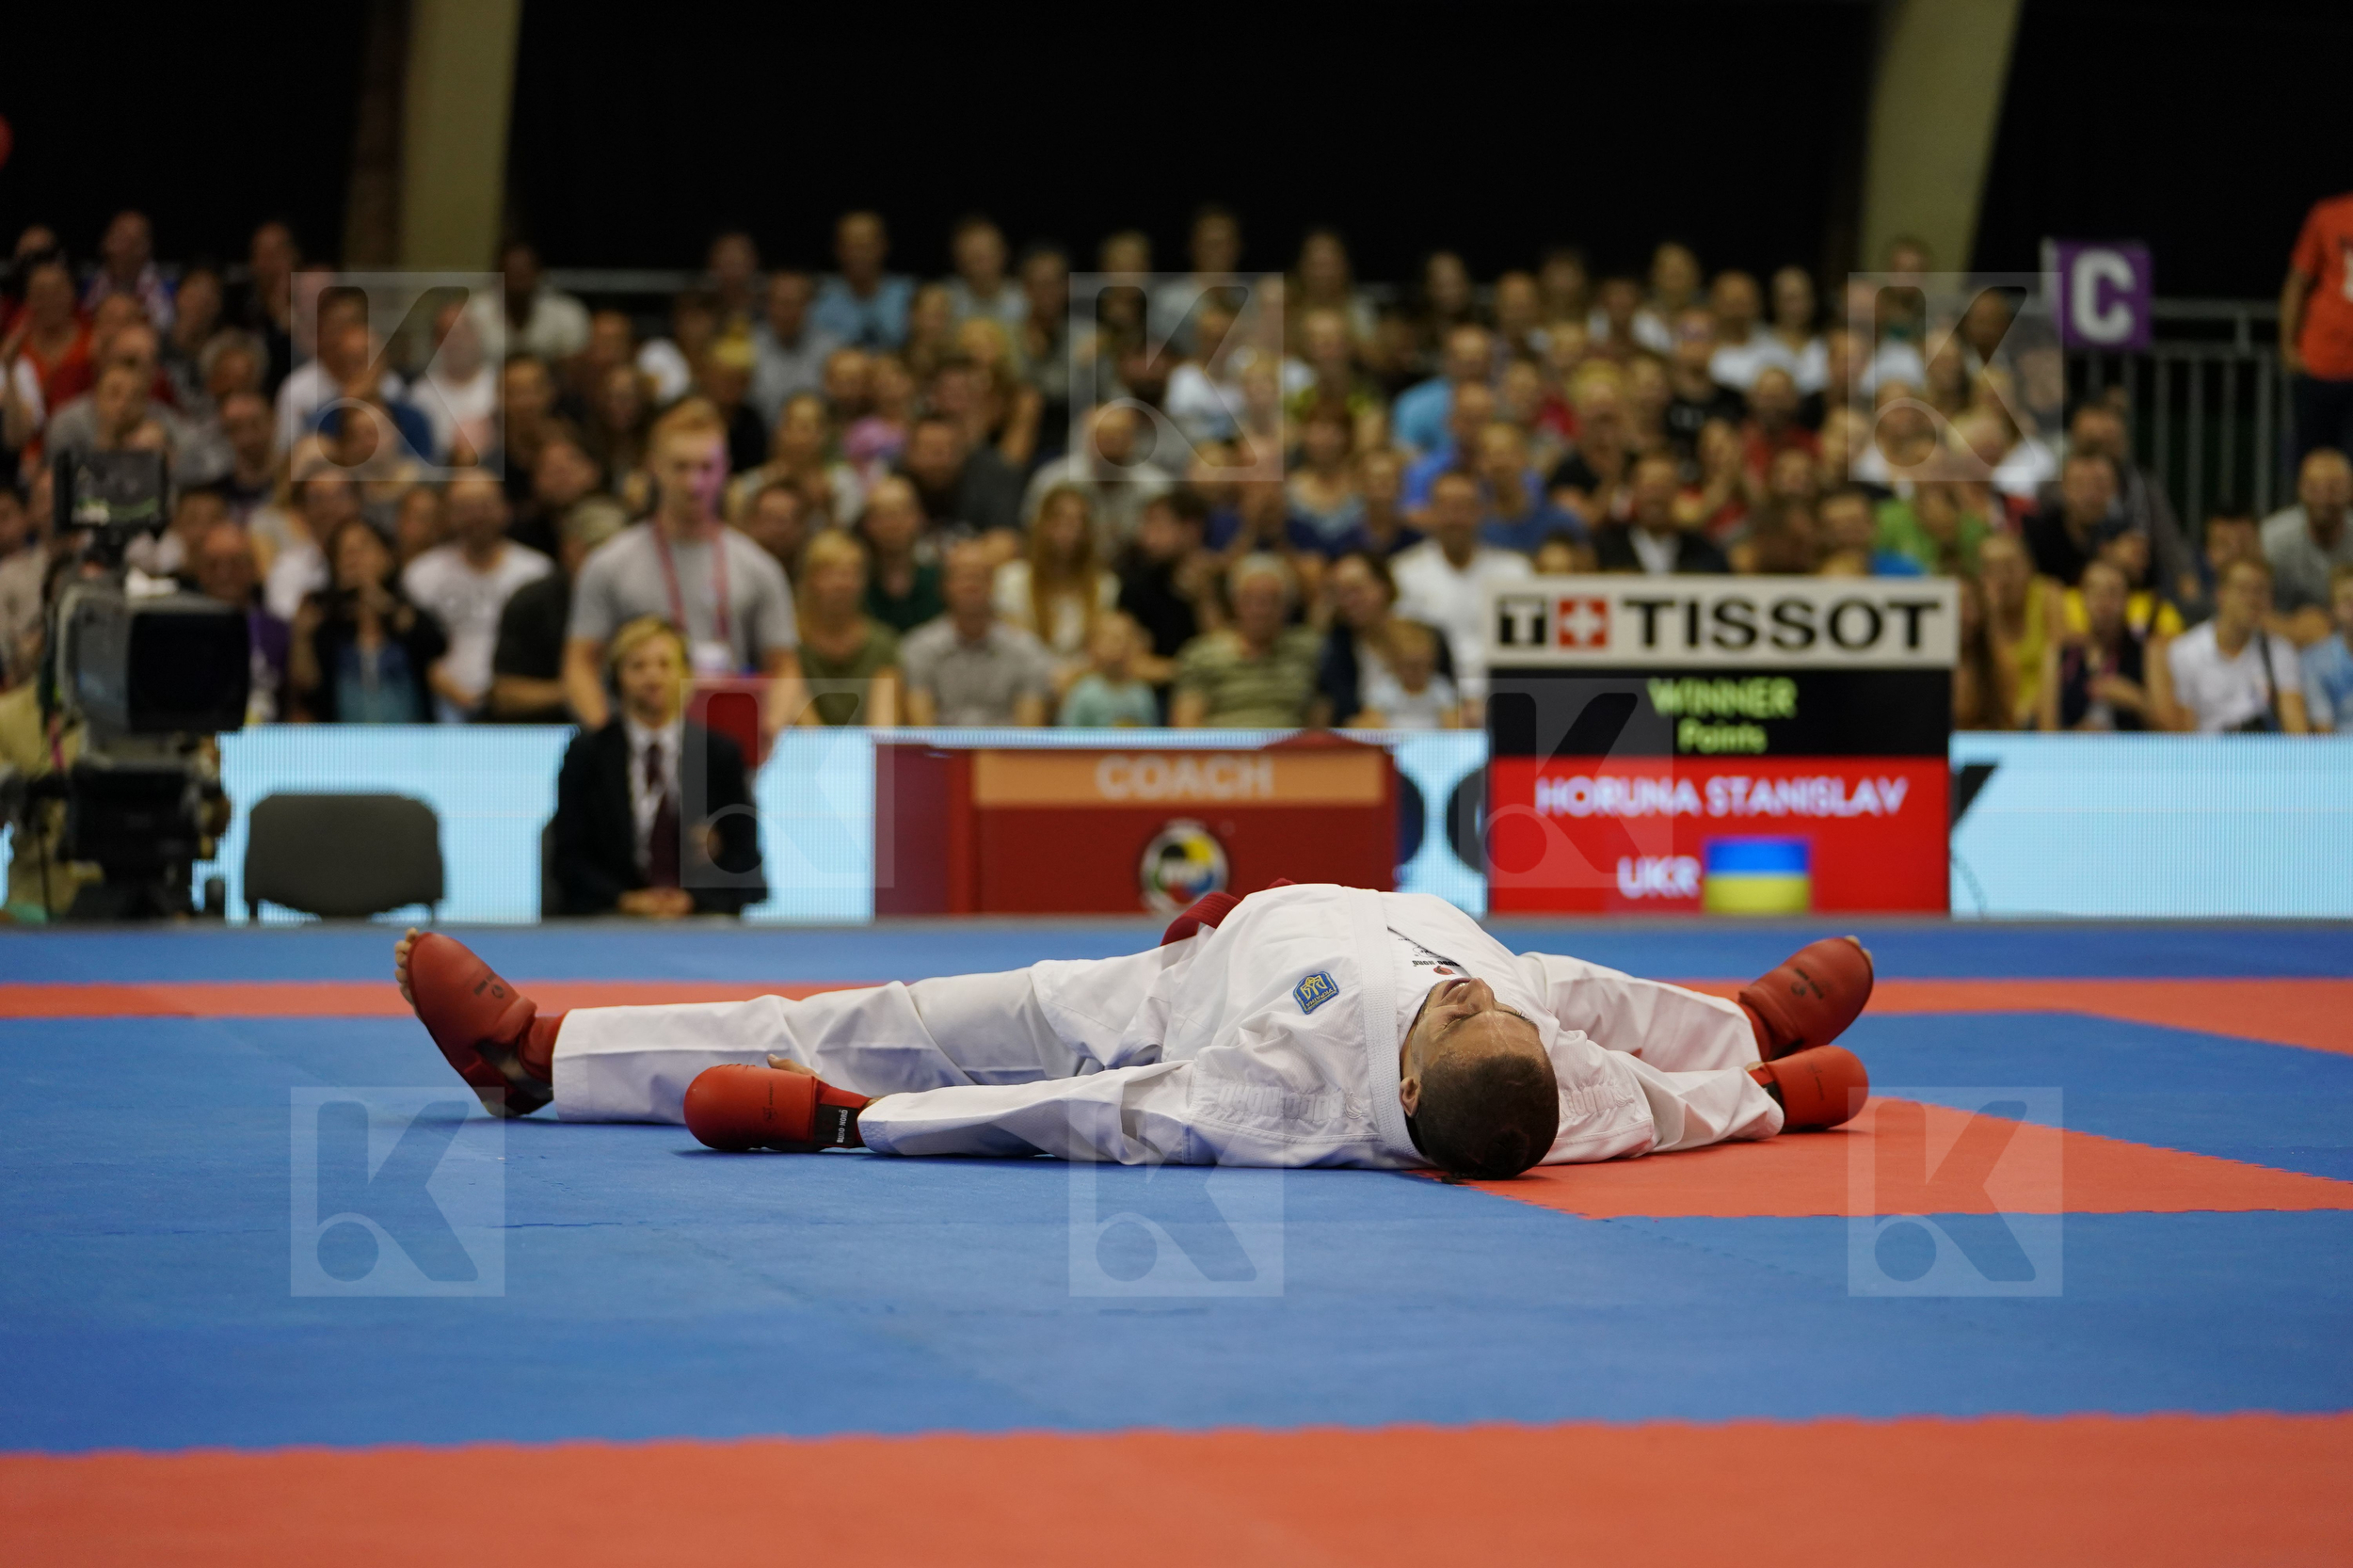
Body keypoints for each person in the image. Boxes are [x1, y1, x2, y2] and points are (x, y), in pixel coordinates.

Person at [395, 894, 1877, 1179]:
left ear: (1411, 1080)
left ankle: (542, 1053)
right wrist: (1771, 1079)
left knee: (877, 1024)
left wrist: (845, 1118)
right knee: (1577, 975)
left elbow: (1073, 1114)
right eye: (1487, 1009)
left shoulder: (1278, 1090)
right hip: (1243, 929)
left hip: (1153, 1004)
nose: (1473, 992)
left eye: (1462, 1012)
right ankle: (1738, 1003)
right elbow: (1662, 1101)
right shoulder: (1556, 1075)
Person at [565, 400, 804, 741]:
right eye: (680, 467)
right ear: (654, 467)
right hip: (639, 742)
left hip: (727, 746)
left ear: (726, 470)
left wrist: (767, 732)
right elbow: (580, 664)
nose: (695, 483)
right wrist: (608, 737)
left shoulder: (758, 568)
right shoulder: (609, 565)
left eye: (707, 468)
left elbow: (785, 668)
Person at [550, 616, 764, 919]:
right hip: (612, 916)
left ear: (685, 675)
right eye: (638, 666)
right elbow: (568, 859)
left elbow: (745, 858)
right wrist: (628, 900)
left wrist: (692, 901)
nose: (652, 677)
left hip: (702, 918)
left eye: (665, 664)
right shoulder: (587, 755)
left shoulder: (719, 755)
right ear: (617, 678)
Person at [400, 476, 552, 722]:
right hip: (441, 709)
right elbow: (411, 649)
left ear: (506, 509)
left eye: (484, 506)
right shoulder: (421, 575)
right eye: (464, 508)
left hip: (523, 711)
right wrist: (451, 691)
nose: (476, 517)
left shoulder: (537, 572)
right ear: (447, 514)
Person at [289, 517, 449, 724]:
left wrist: (383, 604)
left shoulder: (404, 612)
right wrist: (301, 637)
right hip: (345, 746)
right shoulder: (325, 620)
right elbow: (307, 686)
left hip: (412, 745)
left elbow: (437, 645)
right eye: (343, 551)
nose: (353, 557)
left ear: (388, 557)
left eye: (363, 547)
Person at [1391, 471, 1533, 703]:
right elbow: (1405, 651)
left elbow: (1528, 653)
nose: (1455, 518)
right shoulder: (1403, 573)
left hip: (1505, 699)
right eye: (1447, 507)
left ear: (1482, 512)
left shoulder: (1516, 572)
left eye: (1465, 507)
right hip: (1430, 705)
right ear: (1430, 512)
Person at [488, 494, 627, 724]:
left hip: (621, 735)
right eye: (594, 550)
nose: (604, 564)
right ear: (569, 548)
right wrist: (581, 688)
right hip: (543, 735)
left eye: (615, 555)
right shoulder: (531, 601)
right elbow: (505, 694)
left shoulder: (632, 599)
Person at [901, 542, 1055, 726]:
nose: (970, 585)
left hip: (1005, 751)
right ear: (944, 586)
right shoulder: (919, 648)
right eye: (961, 577)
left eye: (978, 577)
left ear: (993, 584)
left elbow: (1029, 735)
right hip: (942, 752)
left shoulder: (1026, 651)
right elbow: (921, 734)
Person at [1170, 554, 1321, 728]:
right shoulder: (1202, 655)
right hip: (1222, 751)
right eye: (1251, 600)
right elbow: (1186, 726)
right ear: (1235, 603)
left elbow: (1318, 723)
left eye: (1271, 601)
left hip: (1287, 751)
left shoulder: (1307, 652)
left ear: (1287, 607)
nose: (1260, 610)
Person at [994, 483, 1116, 692]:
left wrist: (1074, 678)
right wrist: (1053, 677)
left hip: (1081, 686)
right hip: (1024, 685)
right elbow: (1015, 650)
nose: (1071, 530)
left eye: (1080, 522)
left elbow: (1103, 651)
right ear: (1041, 524)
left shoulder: (1105, 586)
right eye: (1060, 520)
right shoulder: (1012, 580)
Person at [2164, 558, 2308, 733]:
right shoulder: (2185, 651)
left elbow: (2296, 730)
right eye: (2243, 589)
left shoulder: (2280, 651)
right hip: (2207, 755)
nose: (2253, 600)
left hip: (2263, 754)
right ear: (2221, 594)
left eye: (2261, 591)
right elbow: (2183, 732)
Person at [2042, 558, 2171, 732]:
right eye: (2094, 591)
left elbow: (2173, 733)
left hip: (2132, 756)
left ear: (2127, 599)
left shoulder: (2148, 653)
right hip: (2073, 755)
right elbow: (2045, 734)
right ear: (2082, 598)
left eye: (2112, 592)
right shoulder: (2060, 653)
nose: (2103, 602)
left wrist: (2137, 700)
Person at [792, 530, 901, 728]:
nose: (842, 584)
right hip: (807, 753)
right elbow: (804, 727)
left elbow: (884, 728)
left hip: (869, 753)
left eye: (851, 574)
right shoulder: (789, 644)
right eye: (830, 574)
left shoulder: (882, 643)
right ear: (810, 580)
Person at [190, 520, 291, 726]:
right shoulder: (178, 631)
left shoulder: (280, 632)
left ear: (254, 569)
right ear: (198, 572)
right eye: (213, 564)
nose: (224, 574)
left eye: (235, 563)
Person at [2280, 191, 2353, 471]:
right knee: (2311, 464)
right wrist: (2287, 345)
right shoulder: (2328, 215)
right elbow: (2298, 280)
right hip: (2322, 364)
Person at [2260, 447, 2353, 640]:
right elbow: (2250, 605)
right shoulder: (2273, 538)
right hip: (2284, 640)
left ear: (2350, 490)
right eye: (2314, 488)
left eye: (2333, 488)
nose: (2324, 497)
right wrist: (2294, 630)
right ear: (2300, 489)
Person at [1594, 453, 1730, 574]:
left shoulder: (1704, 553)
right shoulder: (1605, 548)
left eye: (1663, 487)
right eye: (1648, 487)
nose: (1655, 497)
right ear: (1633, 491)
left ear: (1678, 491)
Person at [857, 475, 946, 633]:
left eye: (901, 513)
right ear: (867, 524)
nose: (893, 524)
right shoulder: (856, 585)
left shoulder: (941, 581)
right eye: (883, 515)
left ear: (920, 518)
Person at [811, 212, 912, 350]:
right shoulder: (818, 297)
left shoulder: (908, 296)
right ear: (838, 249)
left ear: (884, 246)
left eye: (866, 246)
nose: (859, 255)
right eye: (851, 246)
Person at [2022, 451, 2120, 588]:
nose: (2090, 495)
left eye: (2100, 486)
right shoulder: (2036, 535)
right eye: (2080, 485)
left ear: (2114, 490)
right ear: (2063, 488)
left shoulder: (2121, 535)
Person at [1352, 619, 1461, 729]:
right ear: (1395, 665)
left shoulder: (1440, 690)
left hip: (1433, 745)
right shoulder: (1383, 691)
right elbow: (1370, 722)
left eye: (1423, 665)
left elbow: (1453, 726)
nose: (1416, 672)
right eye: (1410, 666)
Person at [1057, 612, 1160, 728]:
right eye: (1111, 639)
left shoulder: (1142, 693)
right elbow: (1068, 734)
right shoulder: (1084, 692)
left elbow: (1150, 735)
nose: (1119, 646)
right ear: (1092, 645)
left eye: (1125, 638)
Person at [1951, 571, 2014, 731]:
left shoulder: (2001, 665)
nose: (1962, 616)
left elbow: (2008, 725)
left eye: (1968, 604)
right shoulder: (1921, 671)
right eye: (1954, 605)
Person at [2299, 565, 2353, 731]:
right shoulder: (2313, 660)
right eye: (2347, 600)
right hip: (2337, 753)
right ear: (2333, 609)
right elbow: (2323, 729)